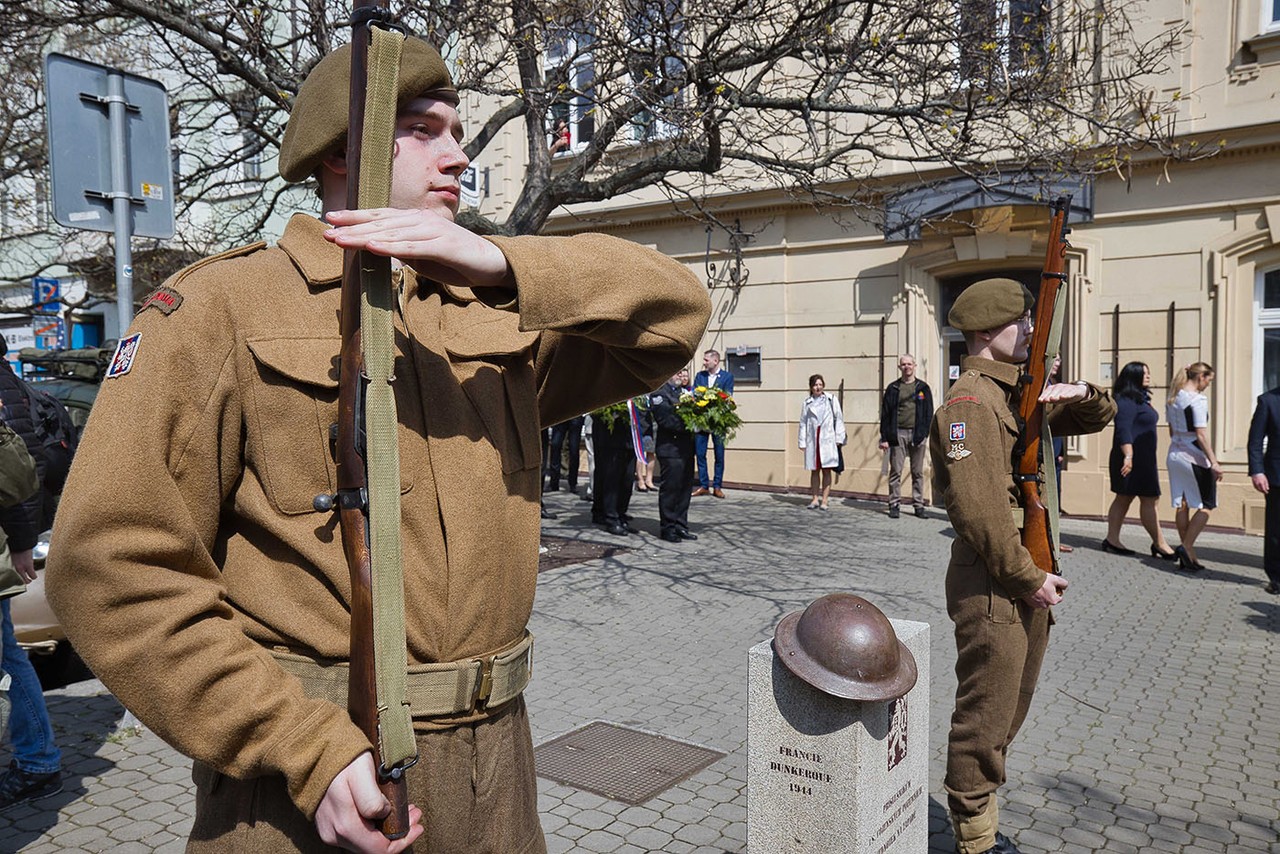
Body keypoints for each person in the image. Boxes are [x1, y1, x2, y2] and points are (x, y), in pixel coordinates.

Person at [45, 39, 710, 854]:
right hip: (309, 789)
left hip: (496, 779)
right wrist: (302, 748)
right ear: (344, 151)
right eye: (427, 130)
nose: (459, 154)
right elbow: (111, 567)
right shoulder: (222, 310)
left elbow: (674, 319)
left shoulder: (488, 314)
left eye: (459, 132)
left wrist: (500, 262)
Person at [929, 278, 1115, 854]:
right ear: (987, 331)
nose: (1033, 332)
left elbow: (1098, 416)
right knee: (984, 716)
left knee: (1012, 706)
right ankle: (975, 837)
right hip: (994, 582)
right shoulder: (969, 404)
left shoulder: (1014, 397)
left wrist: (1076, 389)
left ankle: (982, 812)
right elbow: (979, 511)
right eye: (1023, 322)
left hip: (1018, 575)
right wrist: (1028, 579)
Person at [0, 352, 64, 812]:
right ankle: (38, 760)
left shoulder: (6, 387)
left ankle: (38, 761)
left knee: (10, 656)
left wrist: (22, 540)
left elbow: (24, 474)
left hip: (7, 541)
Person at [1101, 362, 1177, 560]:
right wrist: (1128, 456)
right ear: (1132, 377)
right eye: (1143, 373)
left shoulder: (1141, 400)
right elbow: (1123, 430)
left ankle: (1114, 539)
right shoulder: (1126, 401)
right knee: (1135, 498)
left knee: (1137, 498)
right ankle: (1158, 543)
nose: (1148, 376)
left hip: (1144, 461)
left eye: (1148, 371)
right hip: (1130, 459)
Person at [1165, 362, 1222, 572]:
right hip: (1193, 454)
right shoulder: (1198, 400)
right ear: (1201, 377)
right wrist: (1214, 462)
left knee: (1183, 503)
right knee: (1207, 503)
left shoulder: (1172, 398)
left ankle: (1188, 555)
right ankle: (1186, 546)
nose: (1208, 385)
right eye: (1209, 380)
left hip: (1174, 453)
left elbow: (1171, 431)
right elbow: (1201, 434)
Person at [878, 353, 933, 518]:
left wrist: (924, 434)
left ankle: (918, 505)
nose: (907, 367)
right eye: (904, 364)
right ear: (899, 367)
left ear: (914, 366)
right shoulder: (893, 388)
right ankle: (894, 504)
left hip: (917, 434)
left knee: (917, 472)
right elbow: (885, 414)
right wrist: (884, 437)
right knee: (896, 471)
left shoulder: (923, 388)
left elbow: (928, 413)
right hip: (897, 434)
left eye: (909, 364)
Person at [650, 369, 698, 542]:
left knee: (685, 489)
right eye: (677, 372)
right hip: (670, 449)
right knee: (671, 490)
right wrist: (690, 424)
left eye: (683, 372)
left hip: (685, 448)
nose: (680, 375)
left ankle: (680, 525)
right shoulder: (659, 394)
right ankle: (668, 528)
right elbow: (665, 420)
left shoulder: (683, 393)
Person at [1247, 385, 1280, 594]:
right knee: (1276, 530)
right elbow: (1255, 440)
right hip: (1276, 476)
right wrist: (1257, 471)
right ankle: (1276, 577)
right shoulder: (1268, 401)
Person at [797, 374, 846, 511]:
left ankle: (825, 500)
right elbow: (803, 423)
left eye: (820, 384)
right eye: (815, 385)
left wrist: (839, 439)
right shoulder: (807, 403)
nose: (818, 387)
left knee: (826, 471)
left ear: (823, 385)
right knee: (814, 470)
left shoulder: (831, 400)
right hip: (813, 440)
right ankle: (814, 499)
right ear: (811, 387)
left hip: (827, 439)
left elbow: (839, 419)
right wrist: (802, 442)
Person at [692, 349, 733, 498]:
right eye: (703, 360)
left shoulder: (727, 377)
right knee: (700, 454)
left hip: (718, 421)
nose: (704, 363)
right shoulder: (700, 376)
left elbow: (728, 397)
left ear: (715, 361)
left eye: (706, 360)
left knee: (719, 455)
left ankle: (717, 486)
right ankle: (704, 485)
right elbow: (695, 395)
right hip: (702, 421)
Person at [591, 407, 639, 536]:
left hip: (630, 438)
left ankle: (621, 514)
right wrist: (613, 413)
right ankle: (611, 518)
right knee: (612, 479)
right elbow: (594, 411)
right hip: (610, 439)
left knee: (627, 479)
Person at [545, 415, 585, 495]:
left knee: (574, 448)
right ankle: (554, 482)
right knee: (555, 445)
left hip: (575, 413)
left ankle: (573, 483)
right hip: (560, 413)